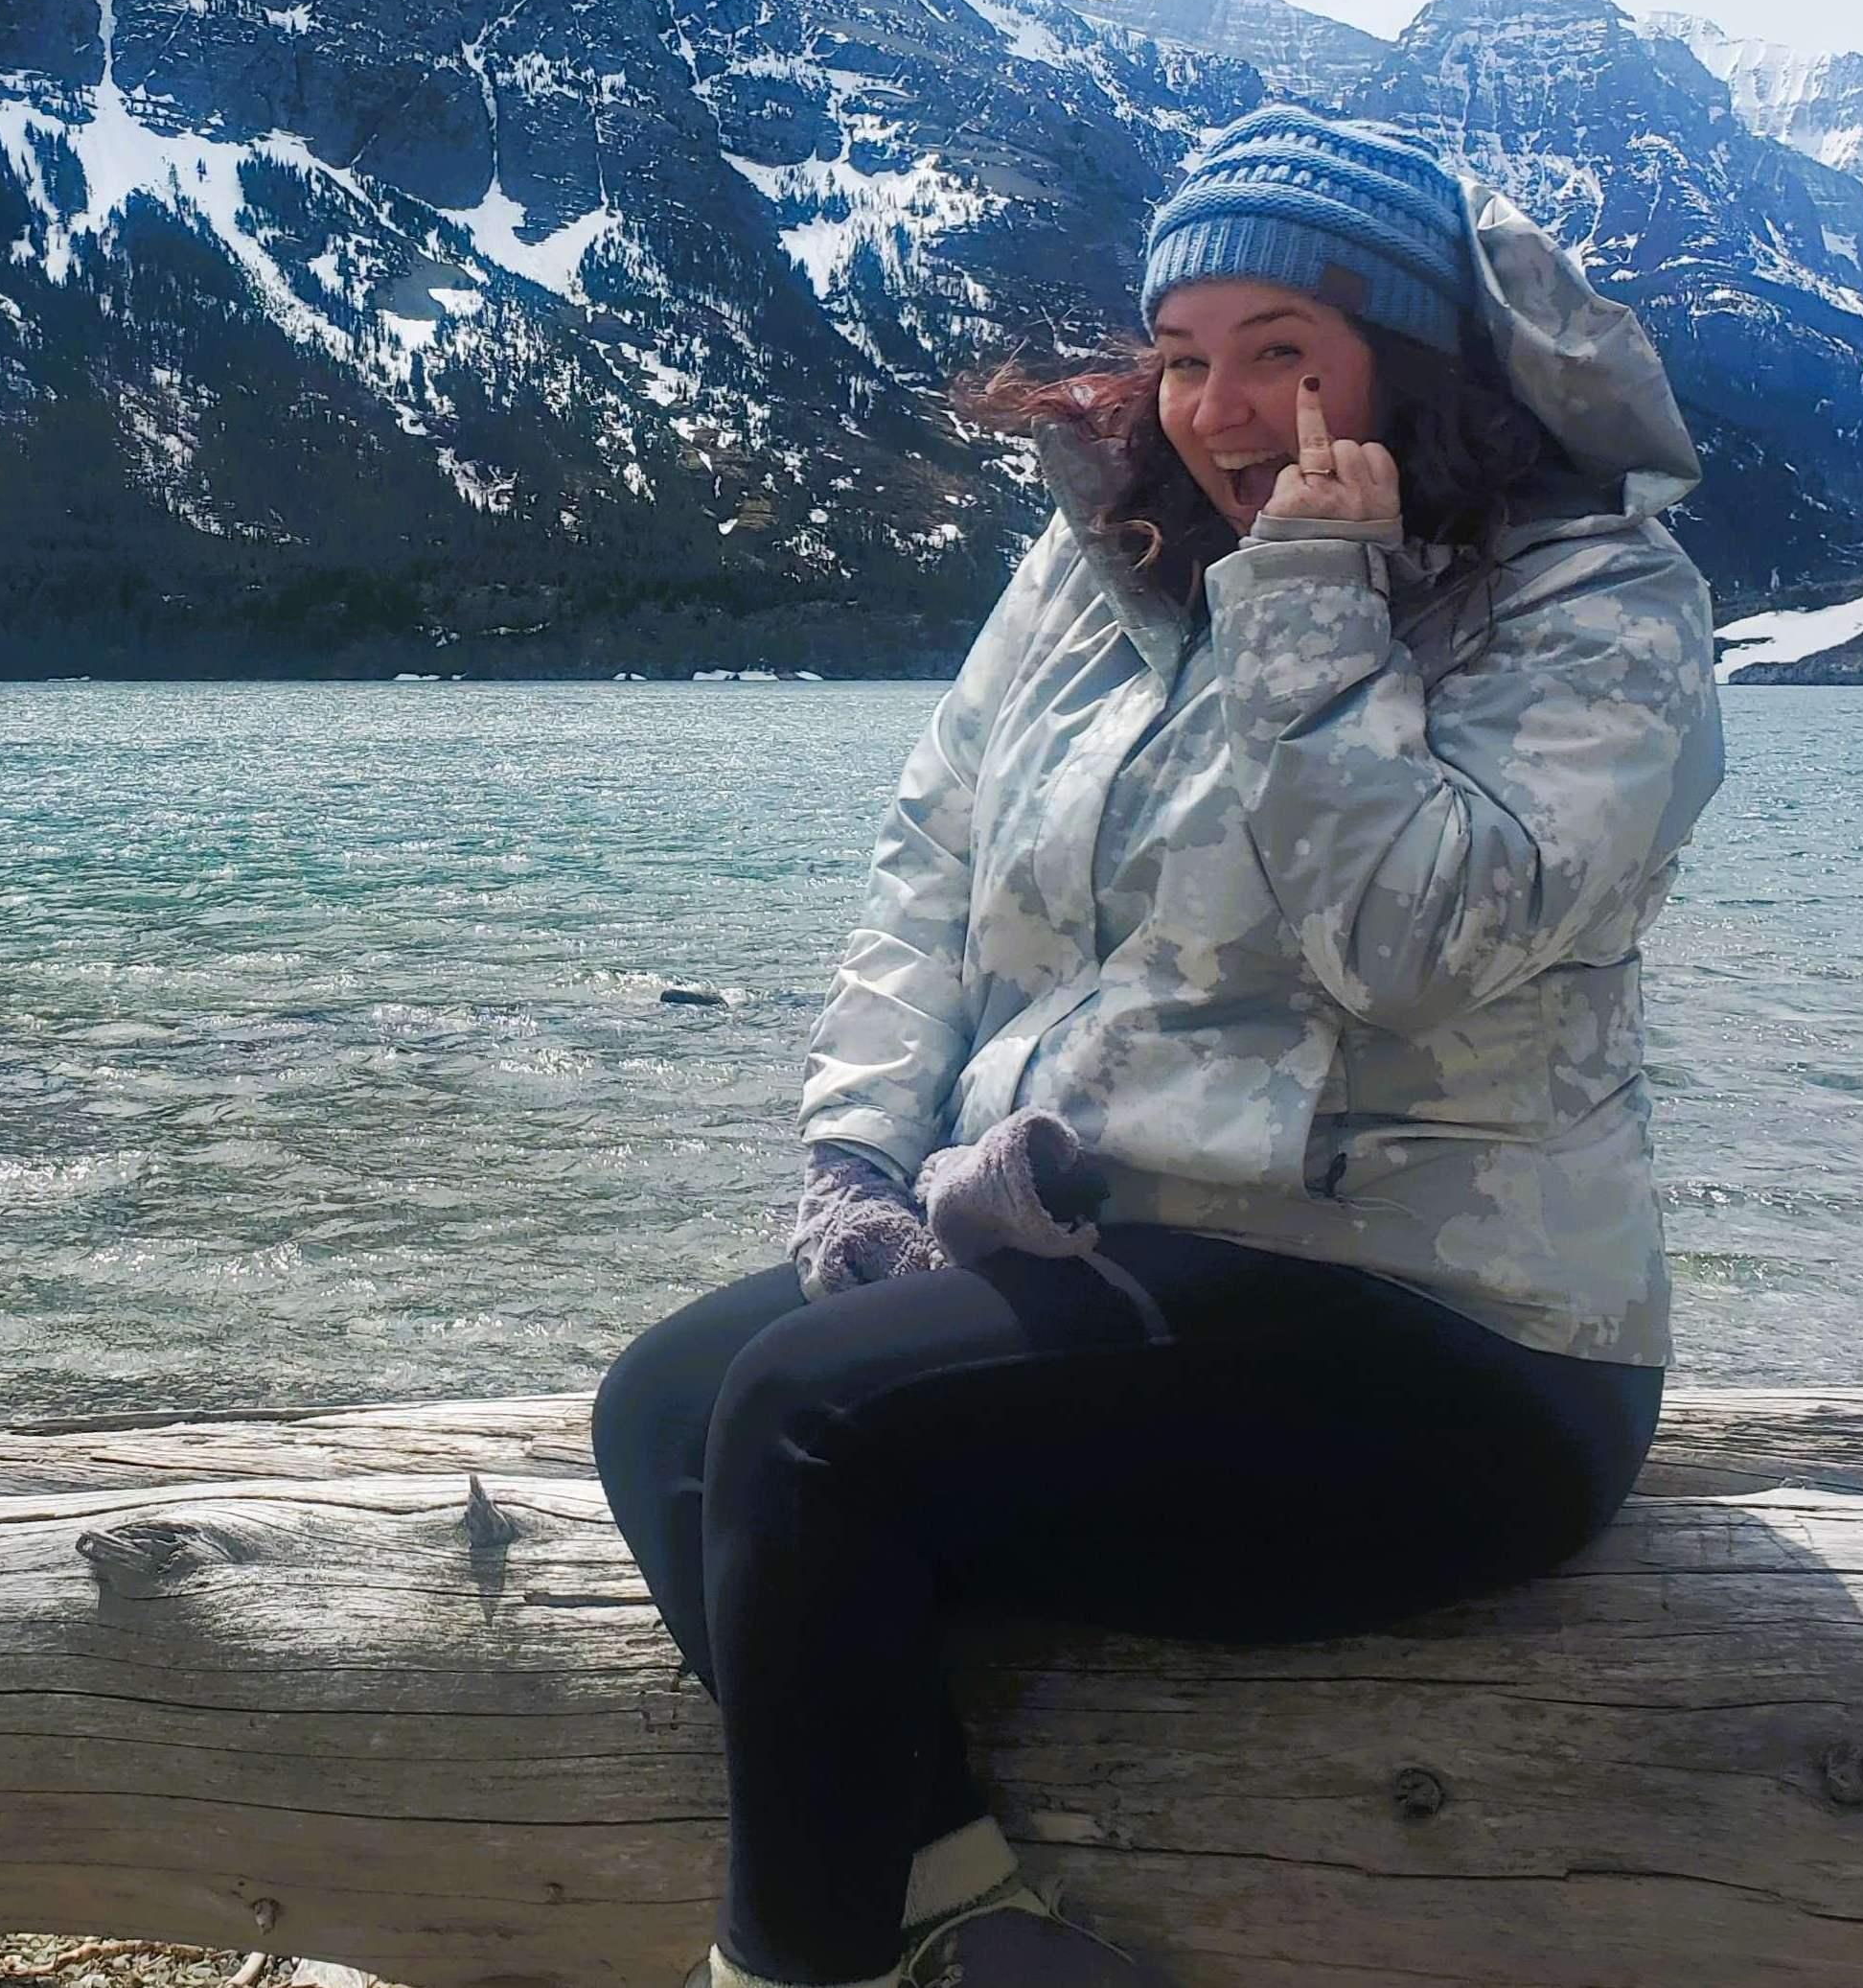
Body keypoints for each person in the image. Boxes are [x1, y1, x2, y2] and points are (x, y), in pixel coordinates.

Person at [589, 104, 1727, 1988]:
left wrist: (1310, 608)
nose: (1218, 409)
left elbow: (1420, 946)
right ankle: (957, 1918)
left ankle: (798, 1972)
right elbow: (930, 873)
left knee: (810, 1427)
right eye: (1186, 358)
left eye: (1284, 351)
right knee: (669, 1408)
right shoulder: (1101, 564)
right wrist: (860, 1165)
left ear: (1413, 354)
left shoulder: (1597, 609)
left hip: (1462, 1343)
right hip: (1135, 1257)